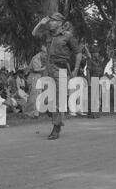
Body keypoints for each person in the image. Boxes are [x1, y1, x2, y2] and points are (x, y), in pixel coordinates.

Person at [32, 12, 83, 140]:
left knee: (58, 100)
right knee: (45, 101)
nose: (50, 23)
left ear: (60, 23)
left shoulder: (68, 36)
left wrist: (76, 69)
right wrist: (41, 23)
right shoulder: (48, 35)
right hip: (48, 69)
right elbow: (34, 33)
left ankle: (56, 128)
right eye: (50, 21)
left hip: (61, 70)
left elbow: (78, 53)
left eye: (53, 21)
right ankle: (56, 117)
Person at [25, 47, 47, 118]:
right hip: (34, 77)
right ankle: (29, 112)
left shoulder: (39, 58)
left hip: (38, 77)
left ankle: (35, 113)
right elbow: (35, 69)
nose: (45, 56)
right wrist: (44, 68)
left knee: (38, 95)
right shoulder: (36, 58)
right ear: (42, 52)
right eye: (45, 55)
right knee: (33, 95)